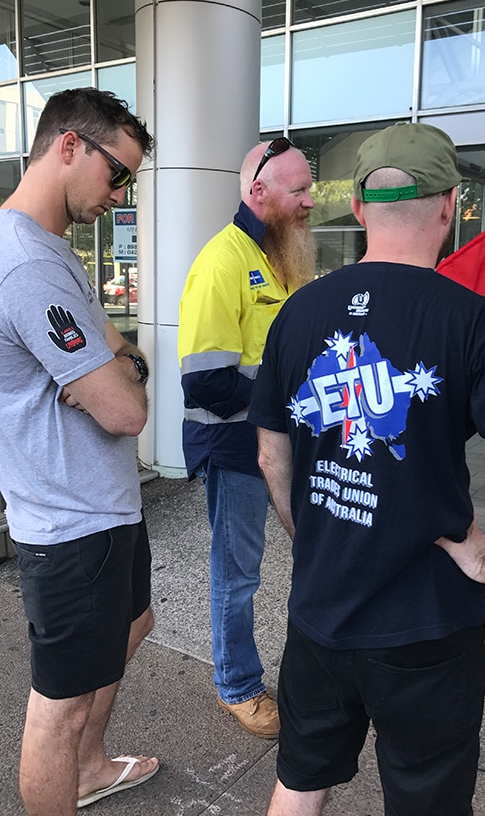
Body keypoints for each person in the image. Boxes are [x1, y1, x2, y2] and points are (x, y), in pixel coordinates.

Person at [248, 123, 485, 815]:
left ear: (362, 210)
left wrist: (311, 537)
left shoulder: (297, 312)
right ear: (450, 204)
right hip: (429, 627)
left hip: (320, 610)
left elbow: (268, 453)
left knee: (300, 780)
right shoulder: (479, 324)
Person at [0, 88, 157, 816]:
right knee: (56, 707)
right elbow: (126, 408)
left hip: (104, 505)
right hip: (69, 524)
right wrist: (119, 374)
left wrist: (118, 365)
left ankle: (90, 768)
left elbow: (124, 356)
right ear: (69, 145)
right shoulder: (27, 264)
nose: (120, 193)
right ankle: (73, 766)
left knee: (135, 623)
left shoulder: (54, 253)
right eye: (117, 173)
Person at [177, 137, 315, 739]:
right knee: (238, 574)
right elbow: (206, 380)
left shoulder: (282, 255)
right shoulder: (223, 260)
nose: (311, 201)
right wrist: (283, 412)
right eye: (300, 190)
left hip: (278, 445)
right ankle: (237, 685)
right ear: (259, 192)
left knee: (288, 562)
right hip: (237, 452)